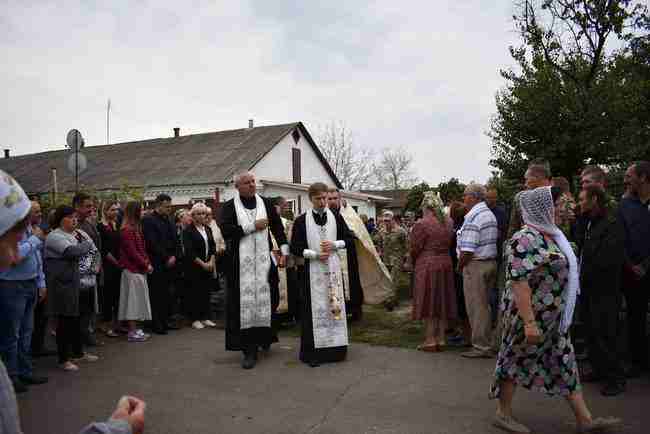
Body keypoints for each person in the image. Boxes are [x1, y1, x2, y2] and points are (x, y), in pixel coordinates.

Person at [0, 171, 147, 434]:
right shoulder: (50, 236)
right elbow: (76, 251)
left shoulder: (66, 234)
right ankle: (20, 370)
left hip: (39, 283)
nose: (12, 255)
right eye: (10, 240)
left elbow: (84, 251)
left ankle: (22, 370)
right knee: (22, 332)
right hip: (38, 287)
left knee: (27, 331)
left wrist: (115, 429)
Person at [490, 186, 619, 434]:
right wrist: (529, 322)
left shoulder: (553, 236)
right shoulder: (525, 238)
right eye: (559, 203)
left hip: (553, 318)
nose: (565, 207)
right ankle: (502, 414)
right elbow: (518, 280)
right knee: (513, 359)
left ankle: (585, 420)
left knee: (565, 362)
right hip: (528, 316)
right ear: (543, 207)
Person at [219, 172, 288, 369]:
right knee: (245, 305)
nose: (252, 185)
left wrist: (284, 250)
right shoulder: (229, 206)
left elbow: (277, 228)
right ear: (237, 187)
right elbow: (226, 231)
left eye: (253, 182)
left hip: (264, 263)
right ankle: (248, 350)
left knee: (269, 298)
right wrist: (252, 226)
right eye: (247, 183)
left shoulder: (265, 203)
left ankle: (264, 338)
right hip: (240, 264)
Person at [291, 182, 354, 367]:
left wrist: (335, 244)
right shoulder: (302, 220)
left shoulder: (336, 216)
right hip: (312, 271)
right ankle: (314, 354)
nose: (322, 201)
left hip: (333, 270)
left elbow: (350, 239)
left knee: (334, 308)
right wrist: (314, 254)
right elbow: (295, 247)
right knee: (313, 310)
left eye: (325, 198)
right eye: (318, 198)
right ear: (310, 199)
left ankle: (336, 351)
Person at [576, 186, 626, 396]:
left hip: (604, 290)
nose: (579, 203)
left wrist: (587, 274)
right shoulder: (588, 221)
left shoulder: (612, 224)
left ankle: (616, 379)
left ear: (594, 199)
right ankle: (599, 370)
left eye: (582, 199)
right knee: (591, 332)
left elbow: (608, 259)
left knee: (606, 333)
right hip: (588, 288)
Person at [0, 200, 48, 393]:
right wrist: (35, 240)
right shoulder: (10, 230)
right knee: (12, 334)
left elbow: (37, 259)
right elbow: (15, 257)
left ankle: (25, 371)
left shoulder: (31, 230)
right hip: (12, 285)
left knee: (27, 331)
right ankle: (12, 376)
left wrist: (41, 281)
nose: (38, 214)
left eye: (38, 211)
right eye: (33, 211)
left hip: (30, 283)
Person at [44, 206, 99, 371]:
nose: (74, 220)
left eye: (75, 217)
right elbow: (72, 252)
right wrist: (87, 245)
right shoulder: (55, 236)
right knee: (65, 323)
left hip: (74, 284)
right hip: (61, 285)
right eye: (70, 217)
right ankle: (63, 359)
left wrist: (86, 246)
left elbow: (87, 251)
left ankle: (78, 353)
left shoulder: (72, 235)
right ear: (61, 219)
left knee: (75, 321)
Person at [410, 192, 456, 351]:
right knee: (442, 300)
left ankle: (430, 340)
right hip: (446, 262)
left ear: (426, 207)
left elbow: (415, 248)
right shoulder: (449, 221)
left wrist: (412, 260)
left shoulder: (421, 224)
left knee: (429, 301)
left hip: (427, 264)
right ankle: (441, 339)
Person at [457, 183, 498, 358]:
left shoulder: (474, 216)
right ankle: (486, 343)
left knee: (477, 307)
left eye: (465, 195)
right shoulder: (487, 213)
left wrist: (459, 266)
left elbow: (468, 249)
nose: (463, 198)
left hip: (476, 264)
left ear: (473, 197)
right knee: (484, 306)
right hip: (488, 262)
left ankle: (481, 346)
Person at [618, 161, 650, 378]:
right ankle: (638, 362)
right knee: (635, 317)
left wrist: (646, 264)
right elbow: (621, 238)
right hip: (632, 273)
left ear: (643, 177)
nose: (625, 179)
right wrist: (631, 265)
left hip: (647, 267)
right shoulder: (624, 205)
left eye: (629, 175)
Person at [142, 194, 178, 335]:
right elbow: (152, 242)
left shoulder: (169, 219)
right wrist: (166, 257)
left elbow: (175, 239)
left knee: (167, 294)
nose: (169, 209)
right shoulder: (148, 220)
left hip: (171, 261)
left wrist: (174, 255)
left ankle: (166, 320)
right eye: (166, 207)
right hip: (157, 261)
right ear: (157, 205)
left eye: (170, 207)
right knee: (156, 294)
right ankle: (156, 324)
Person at [326, 188, 364, 321]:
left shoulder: (348, 215)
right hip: (332, 255)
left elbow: (358, 232)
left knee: (352, 282)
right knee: (336, 284)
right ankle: (339, 309)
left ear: (340, 198)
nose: (332, 201)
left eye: (335, 198)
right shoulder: (325, 215)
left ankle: (355, 310)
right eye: (329, 199)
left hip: (349, 255)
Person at [118, 201, 153, 343]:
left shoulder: (135, 228)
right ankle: (132, 331)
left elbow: (142, 249)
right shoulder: (127, 230)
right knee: (132, 302)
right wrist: (146, 264)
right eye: (142, 209)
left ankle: (136, 329)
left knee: (137, 300)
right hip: (132, 270)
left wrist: (147, 262)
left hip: (138, 269)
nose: (143, 212)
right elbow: (132, 252)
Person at [73, 192, 102, 347]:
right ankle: (80, 338)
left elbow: (96, 248)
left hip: (93, 271)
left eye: (91, 206)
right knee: (81, 309)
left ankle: (86, 334)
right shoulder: (73, 224)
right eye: (87, 206)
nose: (91, 209)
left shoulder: (88, 223)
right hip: (80, 274)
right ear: (77, 207)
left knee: (89, 307)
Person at [183, 203, 217, 330]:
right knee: (195, 292)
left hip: (208, 264)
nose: (202, 216)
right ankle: (195, 318)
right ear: (193, 216)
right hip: (194, 266)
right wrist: (203, 264)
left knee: (205, 291)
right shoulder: (188, 231)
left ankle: (205, 317)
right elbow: (189, 251)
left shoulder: (207, 229)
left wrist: (211, 262)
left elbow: (213, 246)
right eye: (199, 213)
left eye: (204, 213)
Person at [506, 160, 552, 239]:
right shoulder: (520, 198)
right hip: (528, 244)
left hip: (554, 245)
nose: (525, 184)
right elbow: (514, 226)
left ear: (537, 178)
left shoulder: (556, 196)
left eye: (526, 179)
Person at [374, 211, 409, 310]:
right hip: (385, 260)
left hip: (396, 260)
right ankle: (391, 299)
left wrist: (406, 260)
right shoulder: (381, 231)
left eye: (388, 221)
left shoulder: (401, 231)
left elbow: (406, 246)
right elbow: (379, 244)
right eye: (385, 221)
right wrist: (379, 252)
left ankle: (390, 302)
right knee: (386, 280)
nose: (386, 222)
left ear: (393, 220)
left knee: (394, 281)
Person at [98, 201, 122, 338]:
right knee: (108, 296)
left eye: (117, 210)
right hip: (108, 266)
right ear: (105, 211)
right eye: (112, 210)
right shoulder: (101, 226)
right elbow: (104, 250)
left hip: (119, 265)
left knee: (117, 296)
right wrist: (116, 262)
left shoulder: (115, 225)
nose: (115, 212)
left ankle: (117, 324)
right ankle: (105, 325)